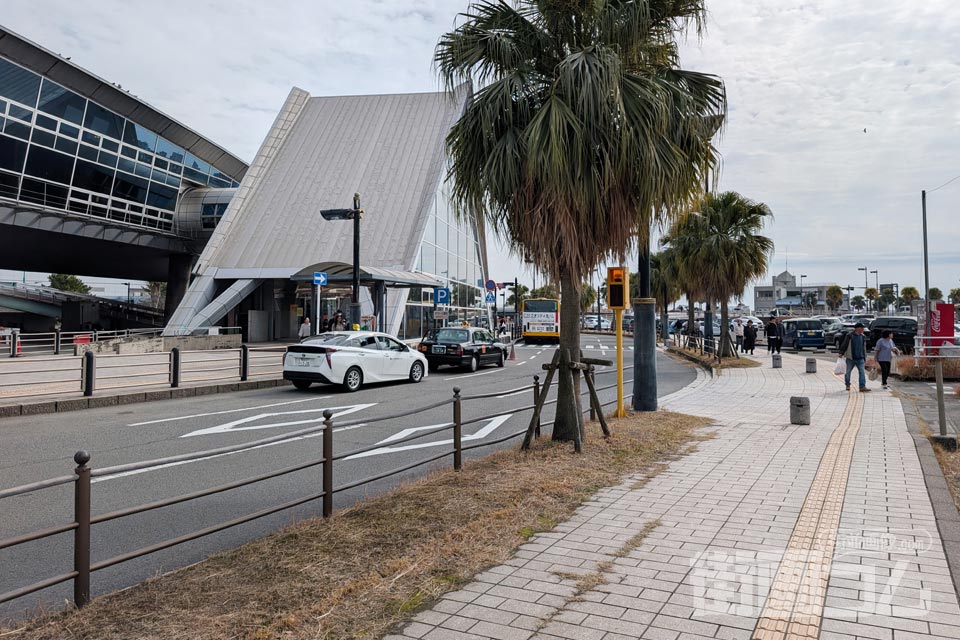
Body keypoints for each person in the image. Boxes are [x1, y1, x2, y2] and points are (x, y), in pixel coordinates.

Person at [837, 322, 870, 392]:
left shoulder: (863, 336)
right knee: (848, 372)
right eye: (862, 328)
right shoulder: (850, 335)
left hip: (860, 358)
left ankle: (862, 386)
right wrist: (841, 352)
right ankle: (847, 384)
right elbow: (845, 344)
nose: (863, 329)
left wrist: (864, 356)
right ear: (857, 328)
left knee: (862, 372)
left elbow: (864, 347)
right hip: (850, 358)